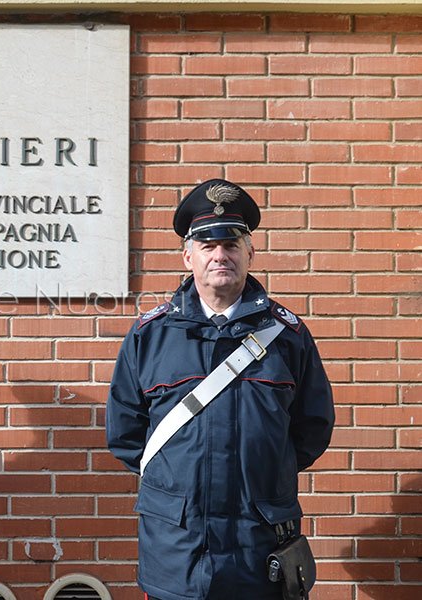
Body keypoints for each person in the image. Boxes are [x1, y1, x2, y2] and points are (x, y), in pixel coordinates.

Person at [105, 179, 334, 600]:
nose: (220, 255)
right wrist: (176, 480)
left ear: (250, 252)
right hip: (176, 550)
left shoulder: (287, 337)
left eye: (231, 244)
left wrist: (266, 472)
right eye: (207, 245)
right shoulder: (149, 336)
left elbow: (312, 428)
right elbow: (125, 433)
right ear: (187, 256)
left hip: (259, 546)